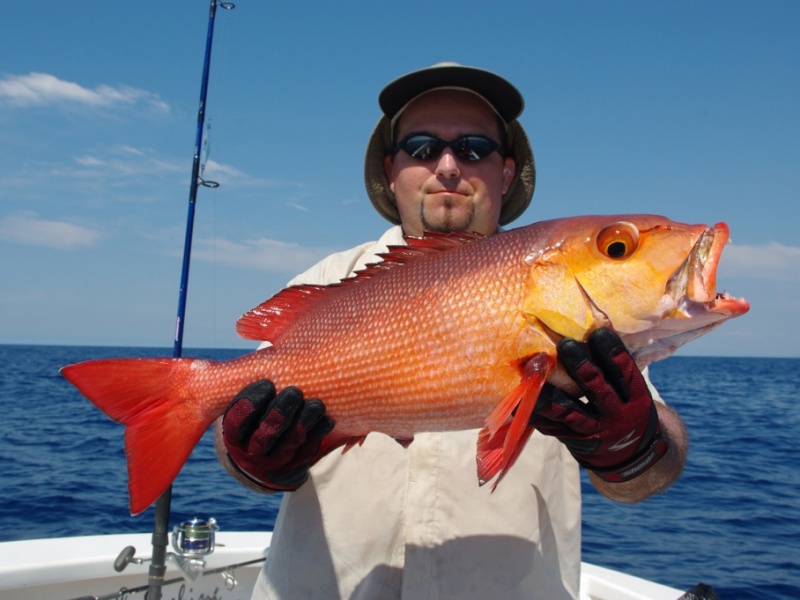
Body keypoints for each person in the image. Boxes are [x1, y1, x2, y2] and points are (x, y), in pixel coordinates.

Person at [214, 63, 688, 599]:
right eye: (420, 148)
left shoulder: (566, 282)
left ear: (505, 173)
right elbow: (236, 435)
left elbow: (653, 472)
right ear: (392, 170)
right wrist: (250, 458)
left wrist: (635, 444)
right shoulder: (327, 284)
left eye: (472, 148)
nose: (446, 166)